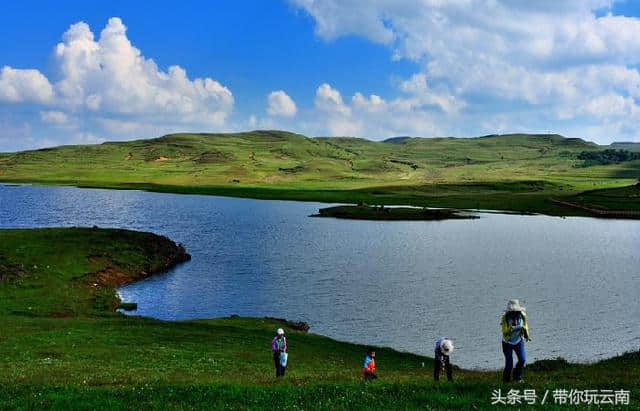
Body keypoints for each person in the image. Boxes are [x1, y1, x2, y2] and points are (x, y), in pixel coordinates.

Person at [501, 299, 531, 383]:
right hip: (507, 342)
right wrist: (512, 329)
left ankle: (517, 377)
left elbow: (526, 326)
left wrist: (526, 335)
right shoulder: (505, 318)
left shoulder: (522, 316)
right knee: (509, 363)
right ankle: (506, 381)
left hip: (518, 341)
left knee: (522, 359)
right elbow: (504, 332)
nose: (514, 312)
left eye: (515, 311)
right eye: (512, 311)